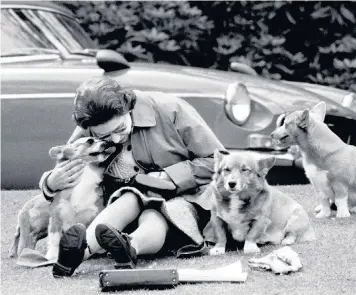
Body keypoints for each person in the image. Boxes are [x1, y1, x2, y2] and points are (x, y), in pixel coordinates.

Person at [39, 76, 224, 278]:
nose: (116, 139)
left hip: (182, 198)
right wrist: (49, 183)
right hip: (124, 203)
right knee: (130, 197)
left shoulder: (171, 109)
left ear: (128, 106)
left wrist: (170, 175)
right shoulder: (92, 123)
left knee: (156, 213)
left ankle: (130, 245)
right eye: (105, 137)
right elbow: (67, 164)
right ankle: (76, 255)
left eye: (119, 129)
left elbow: (218, 161)